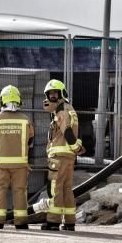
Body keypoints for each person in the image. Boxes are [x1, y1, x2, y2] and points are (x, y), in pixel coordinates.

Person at [0, 85, 34, 230]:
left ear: (2, 100)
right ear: (18, 100)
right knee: (20, 191)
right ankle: (21, 222)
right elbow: (31, 141)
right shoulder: (25, 120)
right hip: (20, 164)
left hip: (1, 163)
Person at [41, 79, 82, 232]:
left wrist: (75, 146)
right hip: (69, 157)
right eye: (49, 93)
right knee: (66, 189)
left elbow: (67, 131)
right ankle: (70, 221)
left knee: (54, 189)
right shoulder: (70, 109)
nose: (52, 96)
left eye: (54, 93)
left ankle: (53, 221)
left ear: (62, 93)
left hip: (59, 156)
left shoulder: (61, 110)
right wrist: (75, 149)